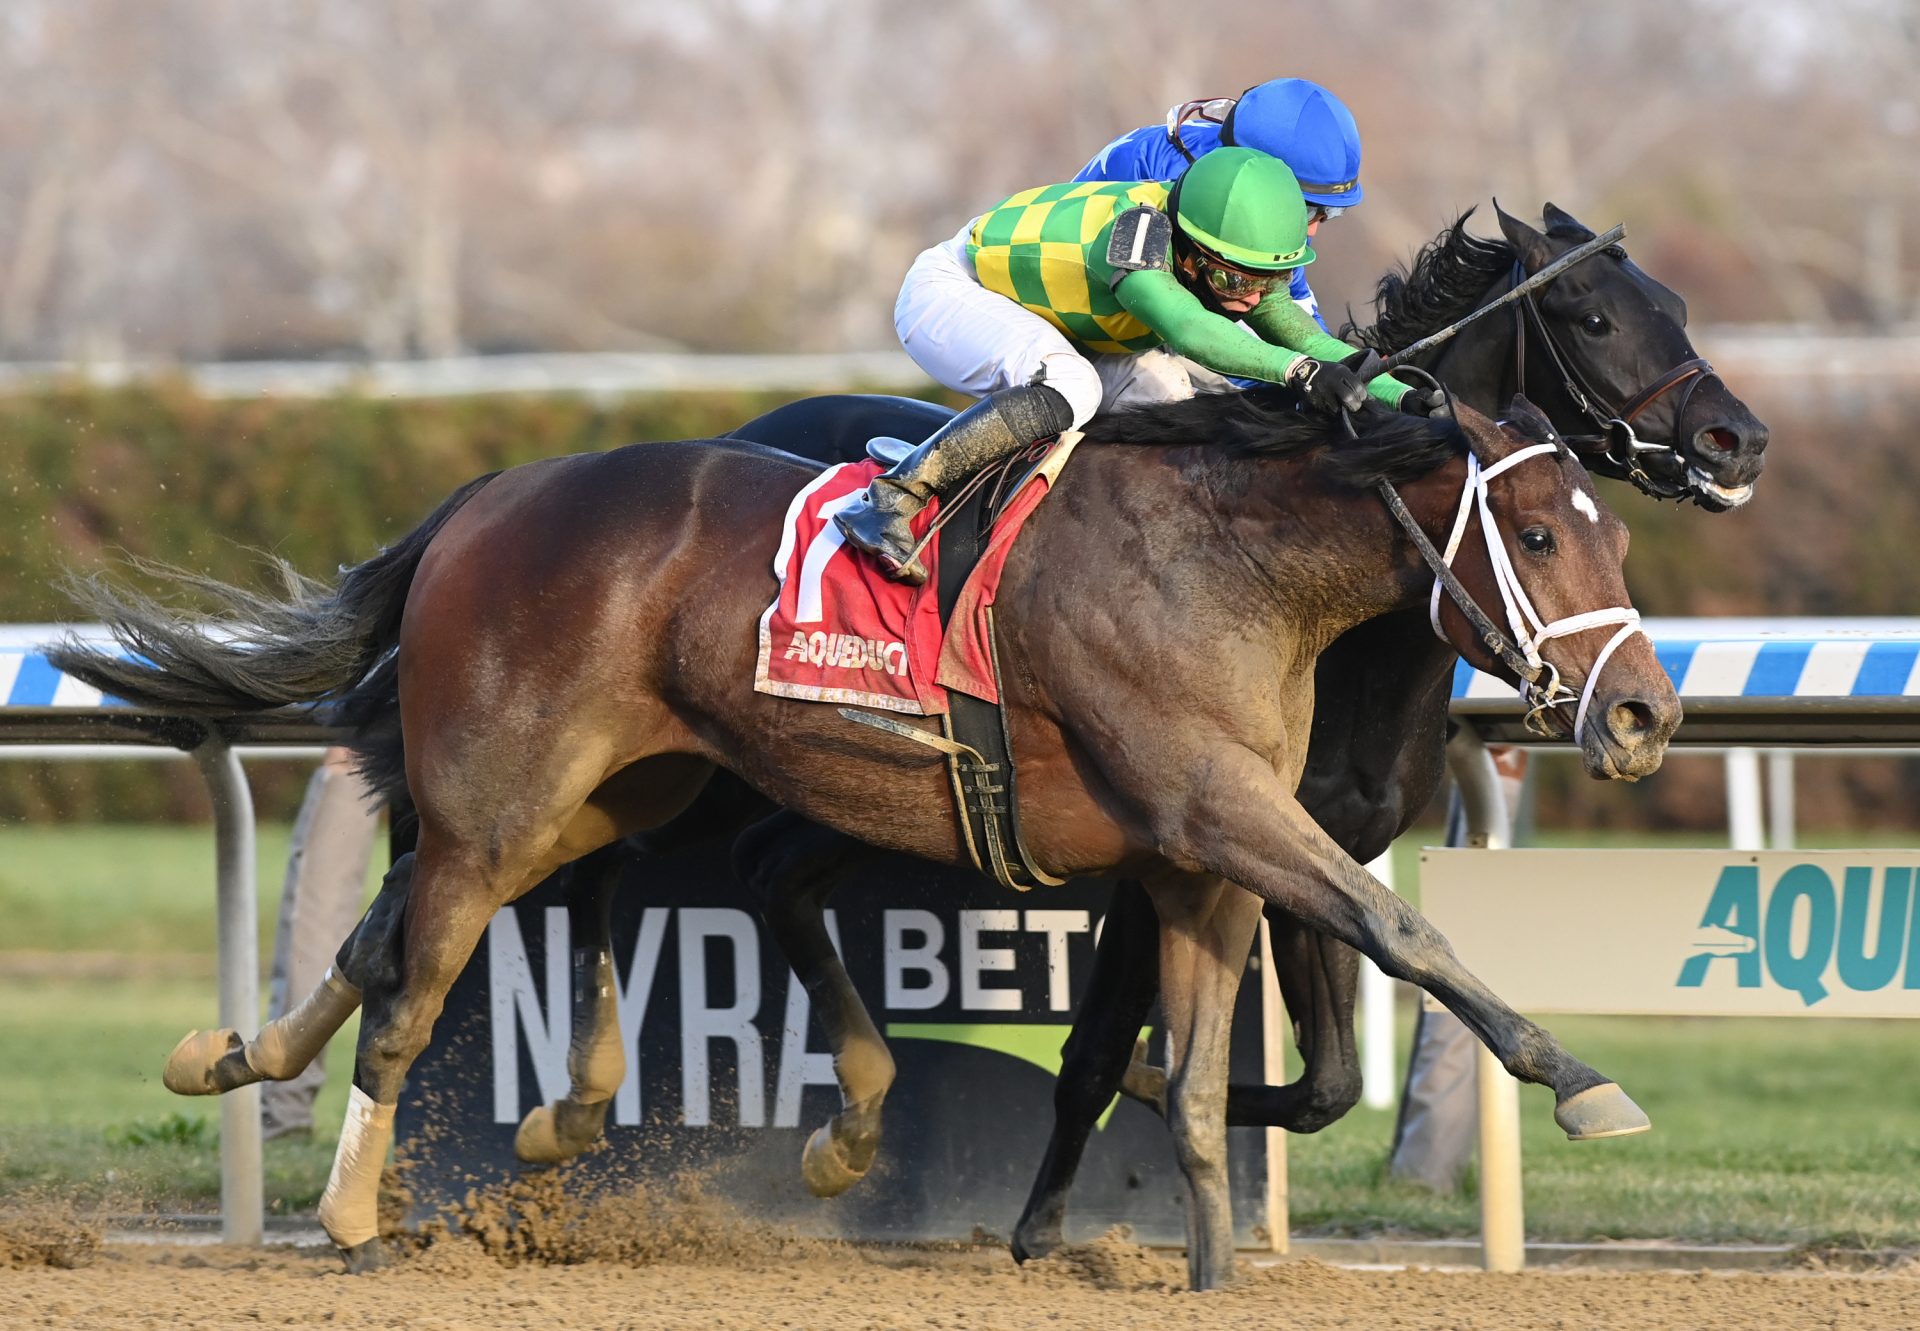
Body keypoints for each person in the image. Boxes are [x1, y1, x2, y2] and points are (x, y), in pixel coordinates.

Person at [837, 147, 1437, 583]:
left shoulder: (1227, 247)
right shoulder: (1134, 236)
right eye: (1236, 280)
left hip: (1062, 323)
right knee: (1071, 385)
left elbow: (1304, 337)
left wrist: (1403, 398)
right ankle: (894, 498)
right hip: (953, 293)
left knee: (1189, 409)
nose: (1253, 297)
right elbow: (1189, 328)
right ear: (1195, 252)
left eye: (1272, 280)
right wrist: (1302, 375)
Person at [1074, 77, 1365, 334]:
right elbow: (1193, 332)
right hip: (1081, 315)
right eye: (1307, 211)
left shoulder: (1244, 184)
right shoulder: (1181, 188)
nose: (1311, 230)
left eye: (1330, 213)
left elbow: (1300, 314)